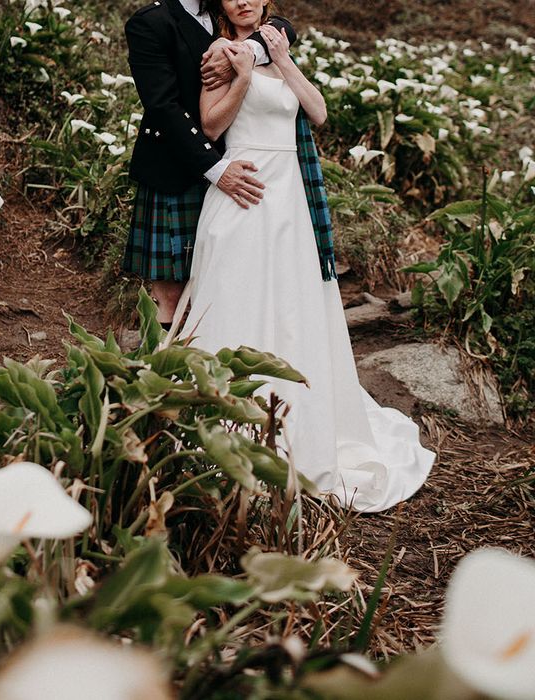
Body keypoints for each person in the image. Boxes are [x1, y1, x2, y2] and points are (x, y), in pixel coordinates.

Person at [179, 0, 435, 512]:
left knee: (295, 302)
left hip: (290, 198)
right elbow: (209, 128)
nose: (244, 1)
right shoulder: (219, 54)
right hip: (243, 186)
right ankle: (229, 422)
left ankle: (300, 416)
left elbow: (316, 111)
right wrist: (244, 77)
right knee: (236, 292)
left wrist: (281, 60)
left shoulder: (279, 44)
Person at [122, 0, 297, 328]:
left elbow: (283, 28)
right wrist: (216, 170)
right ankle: (166, 373)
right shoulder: (150, 22)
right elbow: (162, 107)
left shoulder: (224, 11)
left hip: (231, 158)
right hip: (178, 170)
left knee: (228, 281)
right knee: (173, 294)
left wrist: (242, 56)